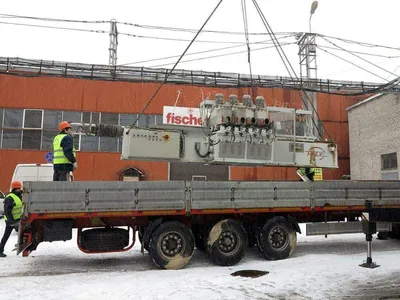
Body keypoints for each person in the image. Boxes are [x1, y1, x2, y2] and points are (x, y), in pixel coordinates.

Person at [0, 181, 23, 257]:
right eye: (18, 188)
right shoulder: (10, 198)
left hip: (17, 219)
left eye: (20, 188)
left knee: (23, 232)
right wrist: (12, 221)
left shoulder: (19, 195)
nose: (20, 189)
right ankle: (0, 250)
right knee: (6, 235)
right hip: (10, 220)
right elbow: (7, 211)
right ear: (15, 189)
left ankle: (21, 246)